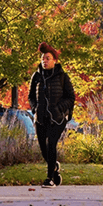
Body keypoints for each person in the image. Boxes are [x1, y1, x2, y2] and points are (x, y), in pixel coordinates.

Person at [28, 42, 75, 188]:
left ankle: (49, 179)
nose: (44, 61)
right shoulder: (36, 76)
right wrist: (35, 108)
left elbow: (70, 97)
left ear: (54, 60)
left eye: (48, 58)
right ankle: (53, 168)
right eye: (43, 58)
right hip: (41, 118)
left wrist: (59, 108)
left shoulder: (62, 77)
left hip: (58, 118)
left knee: (51, 144)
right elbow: (31, 97)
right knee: (43, 148)